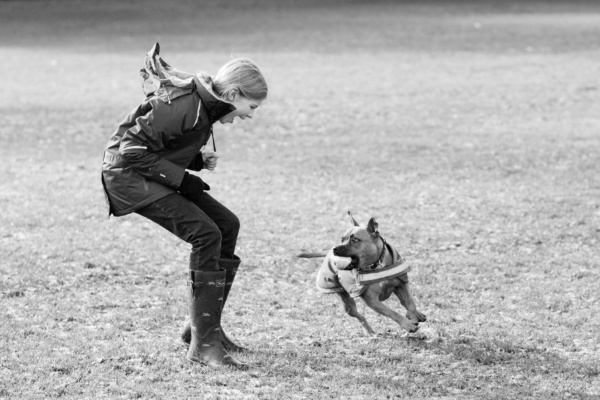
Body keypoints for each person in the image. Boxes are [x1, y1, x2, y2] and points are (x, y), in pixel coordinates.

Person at [101, 44, 267, 369]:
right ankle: (204, 347)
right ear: (232, 93)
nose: (250, 114)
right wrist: (182, 179)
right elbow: (130, 149)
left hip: (148, 171)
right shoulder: (187, 105)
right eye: (251, 106)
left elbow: (162, 144)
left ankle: (203, 330)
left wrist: (195, 161)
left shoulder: (203, 108)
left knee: (226, 225)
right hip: (129, 178)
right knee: (206, 234)